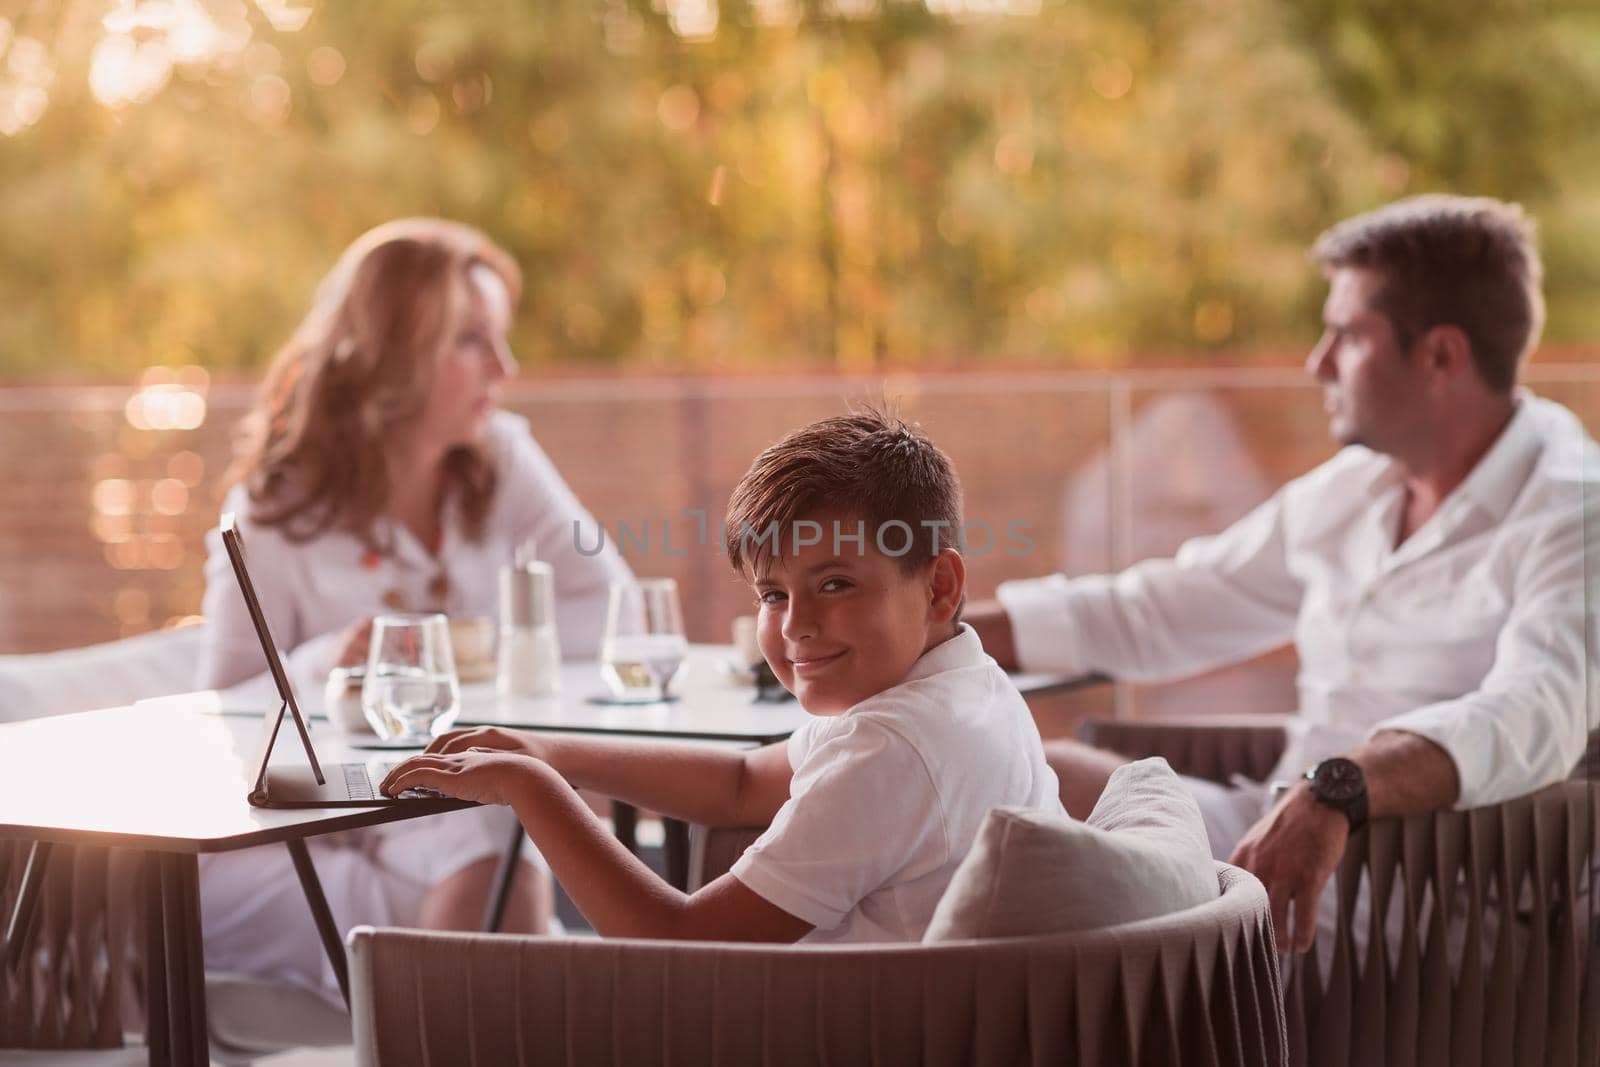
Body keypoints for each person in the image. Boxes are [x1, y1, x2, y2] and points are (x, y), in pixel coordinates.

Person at [968, 194, 1599, 954]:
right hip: (1280, 822)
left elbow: (1535, 712)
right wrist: (928, 628)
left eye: (1346, 335)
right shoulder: (1359, 485)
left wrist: (1340, 787)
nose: (1316, 362)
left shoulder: (1573, 513)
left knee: (1081, 913)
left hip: (1427, 889)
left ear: (1440, 355)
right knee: (1028, 774)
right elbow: (1169, 607)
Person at [382, 410, 1063, 942]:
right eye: (773, 594)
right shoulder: (962, 689)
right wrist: (551, 752)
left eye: (835, 583)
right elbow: (740, 785)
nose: (796, 624)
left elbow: (680, 944)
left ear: (939, 586)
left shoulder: (892, 750)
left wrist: (531, 789)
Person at [195, 217, 632, 1003]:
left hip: (441, 807)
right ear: (391, 356)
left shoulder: (501, 459)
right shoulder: (272, 511)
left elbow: (610, 604)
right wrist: (327, 660)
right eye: (472, 340)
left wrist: (460, 650)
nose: (506, 365)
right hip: (337, 810)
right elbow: (222, 706)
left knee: (491, 809)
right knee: (498, 819)